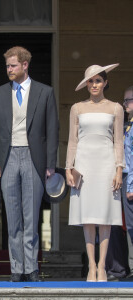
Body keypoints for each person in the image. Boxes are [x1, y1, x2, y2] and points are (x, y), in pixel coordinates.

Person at [0, 46, 59, 282]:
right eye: (7, 66)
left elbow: (52, 129)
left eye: (13, 65)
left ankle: (32, 268)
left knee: (31, 216)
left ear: (25, 65)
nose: (9, 69)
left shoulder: (44, 92)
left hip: (33, 157)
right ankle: (16, 269)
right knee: (12, 217)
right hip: (8, 157)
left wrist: (50, 163)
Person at [66, 64, 124, 282]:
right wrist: (68, 168)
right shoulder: (77, 108)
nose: (94, 84)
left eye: (98, 80)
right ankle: (91, 266)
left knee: (105, 218)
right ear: (86, 84)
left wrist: (119, 169)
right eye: (90, 81)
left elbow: (118, 141)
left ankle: (102, 266)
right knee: (88, 217)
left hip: (107, 163)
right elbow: (72, 141)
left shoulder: (116, 108)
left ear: (105, 83)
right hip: (84, 164)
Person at [120, 86, 133, 280]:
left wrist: (130, 186)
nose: (125, 104)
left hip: (131, 182)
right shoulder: (128, 125)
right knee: (130, 228)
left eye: (129, 100)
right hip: (126, 180)